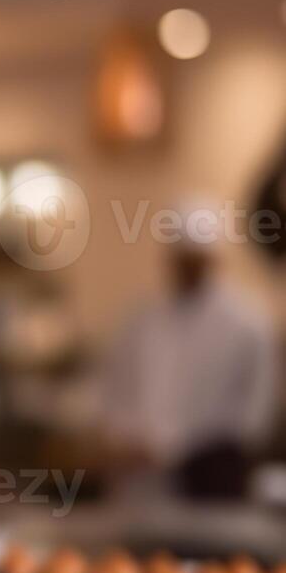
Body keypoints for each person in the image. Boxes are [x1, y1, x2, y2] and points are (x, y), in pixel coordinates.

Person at [101, 212, 278, 500]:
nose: (188, 269)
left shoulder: (248, 322)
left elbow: (253, 415)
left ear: (213, 259)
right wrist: (127, 438)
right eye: (182, 260)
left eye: (195, 260)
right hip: (142, 479)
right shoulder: (142, 319)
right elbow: (115, 390)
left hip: (213, 476)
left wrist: (182, 445)